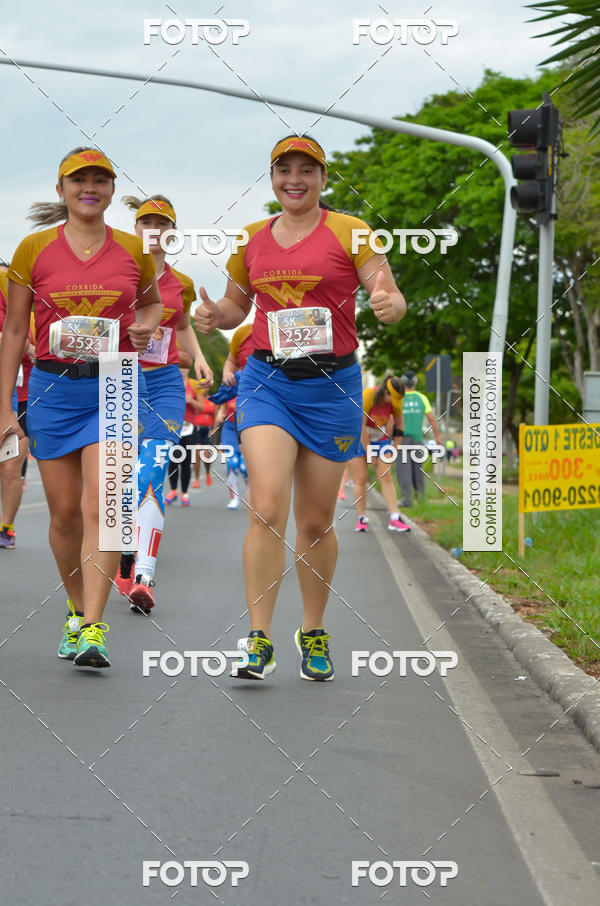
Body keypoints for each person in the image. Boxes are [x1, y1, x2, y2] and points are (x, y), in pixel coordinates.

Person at [194, 134, 406, 682]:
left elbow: (389, 293)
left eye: (306, 170)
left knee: (314, 521)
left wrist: (389, 305)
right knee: (266, 506)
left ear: (322, 178)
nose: (295, 179)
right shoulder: (250, 238)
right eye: (284, 170)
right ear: (272, 178)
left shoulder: (352, 231)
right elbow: (236, 305)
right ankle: (258, 638)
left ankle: (313, 631)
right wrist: (214, 317)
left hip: (333, 386)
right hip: (268, 381)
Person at [0, 147, 161, 667]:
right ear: (61, 189)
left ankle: (93, 626)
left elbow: (152, 304)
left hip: (115, 382)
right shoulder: (32, 249)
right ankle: (75, 608)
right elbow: (15, 331)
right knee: (66, 515)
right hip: (52, 388)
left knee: (103, 507)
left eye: (99, 180)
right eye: (79, 180)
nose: (89, 188)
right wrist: (4, 408)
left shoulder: (134, 250)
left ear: (111, 190)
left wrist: (146, 325)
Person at [115, 195, 212, 611]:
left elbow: (183, 325)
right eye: (146, 222)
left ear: (172, 232)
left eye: (162, 224)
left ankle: (143, 574)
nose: (153, 230)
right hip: (122, 379)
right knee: (122, 474)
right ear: (135, 228)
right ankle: (123, 549)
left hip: (167, 383)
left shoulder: (181, 283)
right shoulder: (117, 272)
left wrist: (201, 358)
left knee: (154, 468)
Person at [352, 375, 410, 533]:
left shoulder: (396, 401)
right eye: (393, 398)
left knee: (386, 476)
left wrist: (394, 450)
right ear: (385, 392)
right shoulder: (368, 396)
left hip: (380, 437)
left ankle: (395, 518)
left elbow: (400, 427)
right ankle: (361, 518)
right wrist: (370, 453)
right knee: (361, 478)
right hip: (359, 436)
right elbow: (361, 426)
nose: (395, 403)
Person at [0, 262, 31, 548]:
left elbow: (30, 344)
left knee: (10, 468)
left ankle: (6, 527)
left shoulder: (22, 300)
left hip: (22, 396)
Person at [396, 369, 443, 506]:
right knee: (418, 469)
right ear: (415, 382)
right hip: (418, 440)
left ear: (402, 382)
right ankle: (421, 498)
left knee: (403, 470)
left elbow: (393, 418)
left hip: (402, 439)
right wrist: (438, 437)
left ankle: (407, 499)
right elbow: (432, 419)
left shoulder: (398, 398)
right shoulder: (422, 398)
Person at [165, 350, 202, 506]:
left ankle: (185, 493)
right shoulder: (169, 383)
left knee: (186, 462)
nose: (182, 370)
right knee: (173, 461)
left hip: (189, 428)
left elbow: (201, 407)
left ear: (189, 368)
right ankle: (173, 490)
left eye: (185, 367)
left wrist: (191, 401)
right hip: (173, 426)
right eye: (179, 367)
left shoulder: (194, 385)